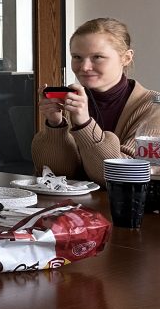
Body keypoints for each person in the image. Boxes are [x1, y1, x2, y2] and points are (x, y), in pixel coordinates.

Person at [32, 17, 160, 185]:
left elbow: (123, 177)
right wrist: (55, 126)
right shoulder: (71, 102)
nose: (84, 67)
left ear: (126, 58)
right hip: (75, 208)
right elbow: (55, 175)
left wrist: (84, 125)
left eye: (97, 57)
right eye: (77, 57)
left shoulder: (154, 107)